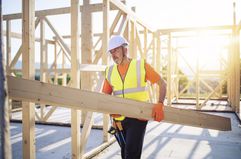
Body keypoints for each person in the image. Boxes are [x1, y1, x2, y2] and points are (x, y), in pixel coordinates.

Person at [102, 35, 166, 159]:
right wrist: (110, 110)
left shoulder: (140, 65)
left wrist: (160, 103)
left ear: (125, 49)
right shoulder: (109, 71)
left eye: (116, 50)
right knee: (125, 152)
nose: (113, 55)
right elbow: (105, 96)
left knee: (131, 153)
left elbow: (162, 84)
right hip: (119, 119)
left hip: (138, 118)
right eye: (111, 52)